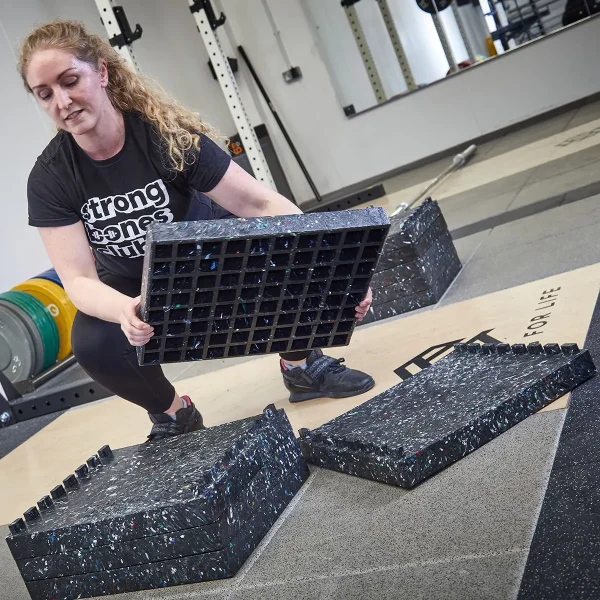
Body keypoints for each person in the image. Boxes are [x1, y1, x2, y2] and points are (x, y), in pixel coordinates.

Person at [19, 20, 376, 442]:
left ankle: (300, 367)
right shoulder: (50, 177)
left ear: (101, 72)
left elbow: (259, 204)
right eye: (46, 94)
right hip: (132, 286)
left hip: (209, 259)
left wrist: (337, 263)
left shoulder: (163, 136)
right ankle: (174, 414)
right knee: (93, 342)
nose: (62, 100)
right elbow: (77, 278)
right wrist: (121, 310)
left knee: (286, 255)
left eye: (70, 80)